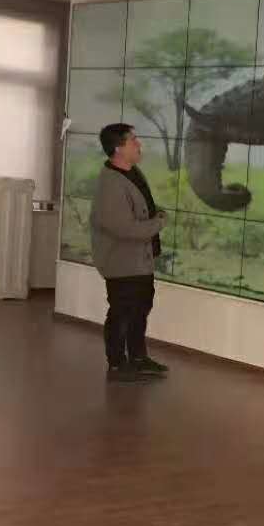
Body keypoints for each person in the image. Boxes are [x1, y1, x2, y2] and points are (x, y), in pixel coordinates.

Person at [90, 124, 170, 383]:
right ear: (118, 148)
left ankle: (138, 358)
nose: (139, 144)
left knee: (140, 310)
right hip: (122, 263)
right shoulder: (111, 183)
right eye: (133, 140)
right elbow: (123, 228)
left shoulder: (133, 172)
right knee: (122, 312)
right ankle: (116, 364)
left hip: (140, 261)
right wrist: (159, 222)